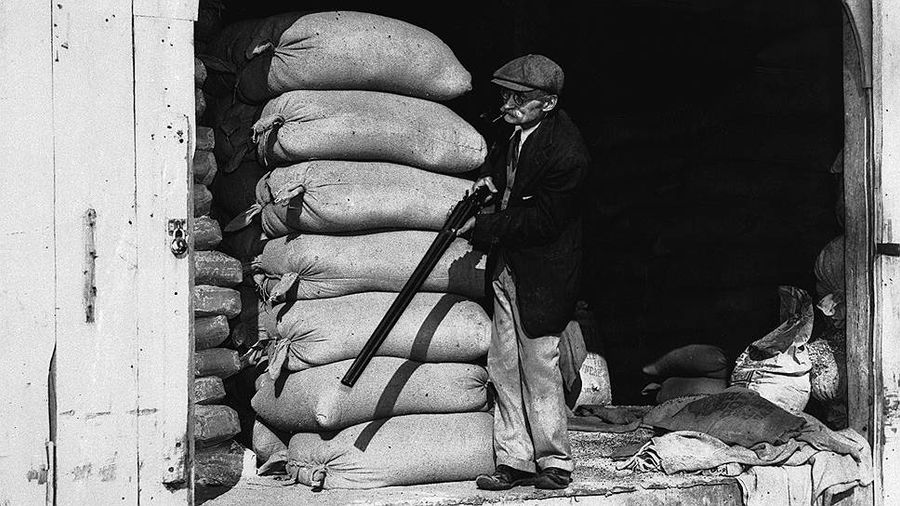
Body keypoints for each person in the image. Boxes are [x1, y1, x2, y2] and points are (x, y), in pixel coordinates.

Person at [457, 54, 590, 490]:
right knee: (503, 363)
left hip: (543, 272)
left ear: (547, 103)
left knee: (539, 364)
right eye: (505, 94)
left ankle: (555, 461)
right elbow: (508, 176)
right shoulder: (515, 135)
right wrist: (489, 181)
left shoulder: (567, 151)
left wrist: (486, 226)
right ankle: (513, 459)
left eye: (521, 97)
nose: (509, 103)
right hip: (508, 267)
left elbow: (545, 221)